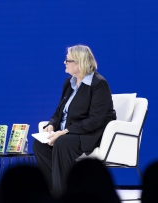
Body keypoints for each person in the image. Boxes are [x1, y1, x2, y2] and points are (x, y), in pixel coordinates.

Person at [32, 44, 116, 197]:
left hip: (87, 133)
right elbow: (59, 112)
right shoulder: (69, 83)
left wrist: (64, 132)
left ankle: (64, 195)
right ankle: (54, 191)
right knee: (39, 144)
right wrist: (51, 125)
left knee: (62, 143)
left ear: (80, 62)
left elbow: (95, 120)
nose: (65, 63)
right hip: (68, 133)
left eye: (68, 60)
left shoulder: (99, 84)